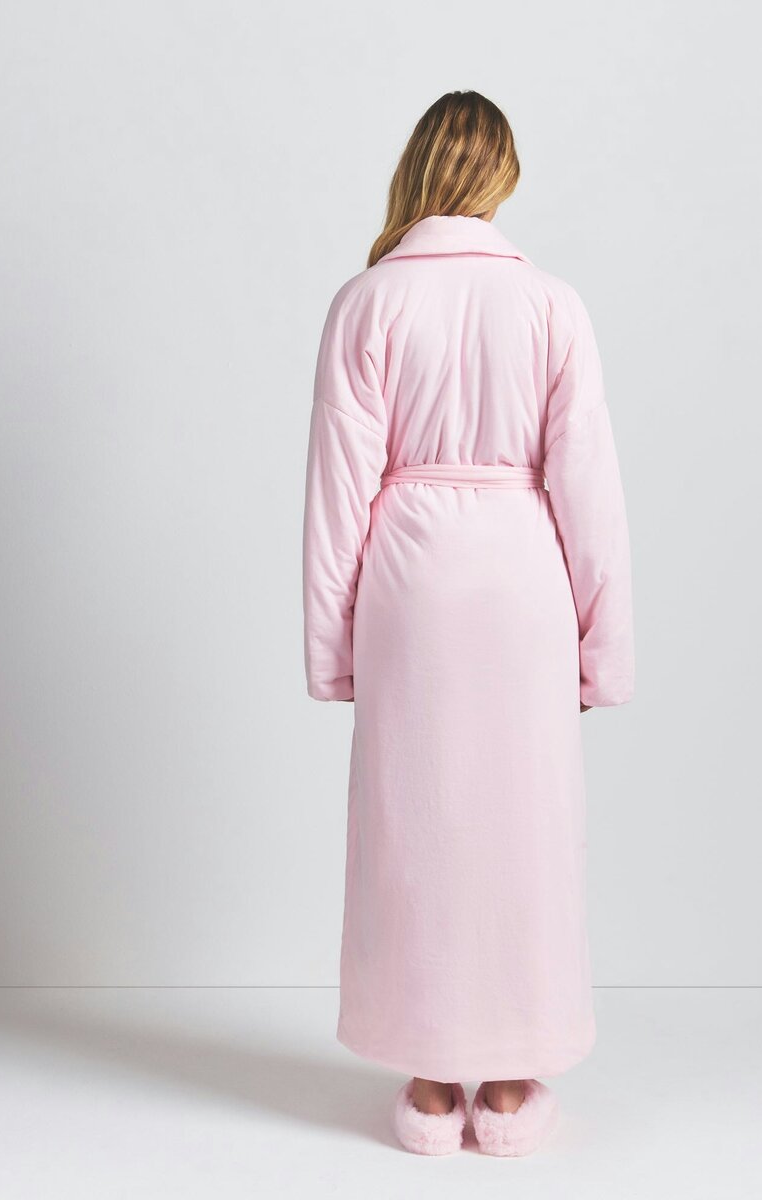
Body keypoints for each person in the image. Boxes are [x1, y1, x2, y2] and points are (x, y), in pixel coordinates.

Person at [302, 90, 635, 1156]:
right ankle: (514, 1075)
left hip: (409, 579)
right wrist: (604, 647)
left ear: (419, 167)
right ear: (502, 176)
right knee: (526, 818)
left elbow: (337, 494)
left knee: (416, 818)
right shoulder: (551, 304)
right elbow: (589, 487)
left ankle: (432, 1077)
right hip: (522, 578)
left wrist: (332, 650)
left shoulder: (364, 302)